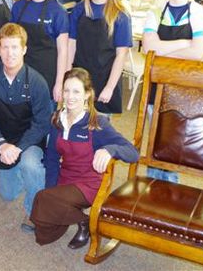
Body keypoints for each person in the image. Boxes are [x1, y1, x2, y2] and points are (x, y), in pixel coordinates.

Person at [31, 68, 138, 249]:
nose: (70, 96)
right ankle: (82, 219)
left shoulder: (97, 123)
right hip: (66, 178)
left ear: (87, 94)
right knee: (44, 213)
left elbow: (133, 153)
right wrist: (52, 193)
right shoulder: (56, 120)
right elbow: (51, 159)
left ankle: (85, 221)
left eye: (76, 91)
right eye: (66, 91)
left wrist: (110, 150)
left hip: (89, 182)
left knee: (42, 201)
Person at [0, 23, 51, 232]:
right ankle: (21, 170)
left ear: (24, 49)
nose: (10, 53)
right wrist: (1, 144)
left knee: (31, 166)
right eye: (5, 48)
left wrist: (19, 147)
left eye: (15, 47)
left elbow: (42, 122)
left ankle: (34, 211)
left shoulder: (37, 82)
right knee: (8, 194)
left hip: (30, 141)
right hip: (2, 141)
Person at [142, 0, 203, 183]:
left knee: (175, 138)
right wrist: (185, 42)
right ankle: (152, 185)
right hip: (157, 83)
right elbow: (148, 48)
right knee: (155, 137)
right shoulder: (155, 11)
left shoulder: (198, 12)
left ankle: (170, 187)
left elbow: (199, 52)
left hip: (183, 85)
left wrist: (164, 48)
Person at [68, 0, 132, 115]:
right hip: (80, 77)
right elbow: (71, 45)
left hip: (105, 78)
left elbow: (121, 55)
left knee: (101, 129)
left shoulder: (120, 15)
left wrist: (110, 87)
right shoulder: (79, 9)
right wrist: (67, 77)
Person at [11, 0, 69, 102]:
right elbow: (11, 43)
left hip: (47, 74)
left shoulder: (58, 11)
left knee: (45, 119)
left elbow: (63, 51)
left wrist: (59, 83)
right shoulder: (18, 7)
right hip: (21, 72)